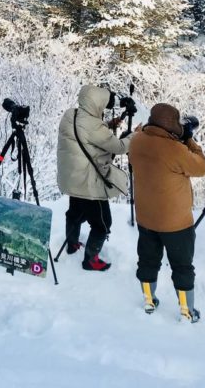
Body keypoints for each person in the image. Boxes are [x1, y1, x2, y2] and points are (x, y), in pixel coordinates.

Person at [128, 103, 205, 322]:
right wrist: (189, 139)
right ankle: (186, 310)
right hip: (176, 223)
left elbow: (142, 134)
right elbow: (201, 167)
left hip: (146, 218)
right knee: (182, 266)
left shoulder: (136, 142)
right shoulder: (175, 149)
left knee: (147, 260)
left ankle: (149, 300)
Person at [57, 85, 130, 271]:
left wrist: (108, 126)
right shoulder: (94, 126)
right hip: (90, 184)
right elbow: (120, 147)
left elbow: (86, 132)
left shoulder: (70, 115)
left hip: (73, 178)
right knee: (102, 224)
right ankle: (91, 259)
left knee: (75, 213)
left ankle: (72, 244)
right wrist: (135, 135)